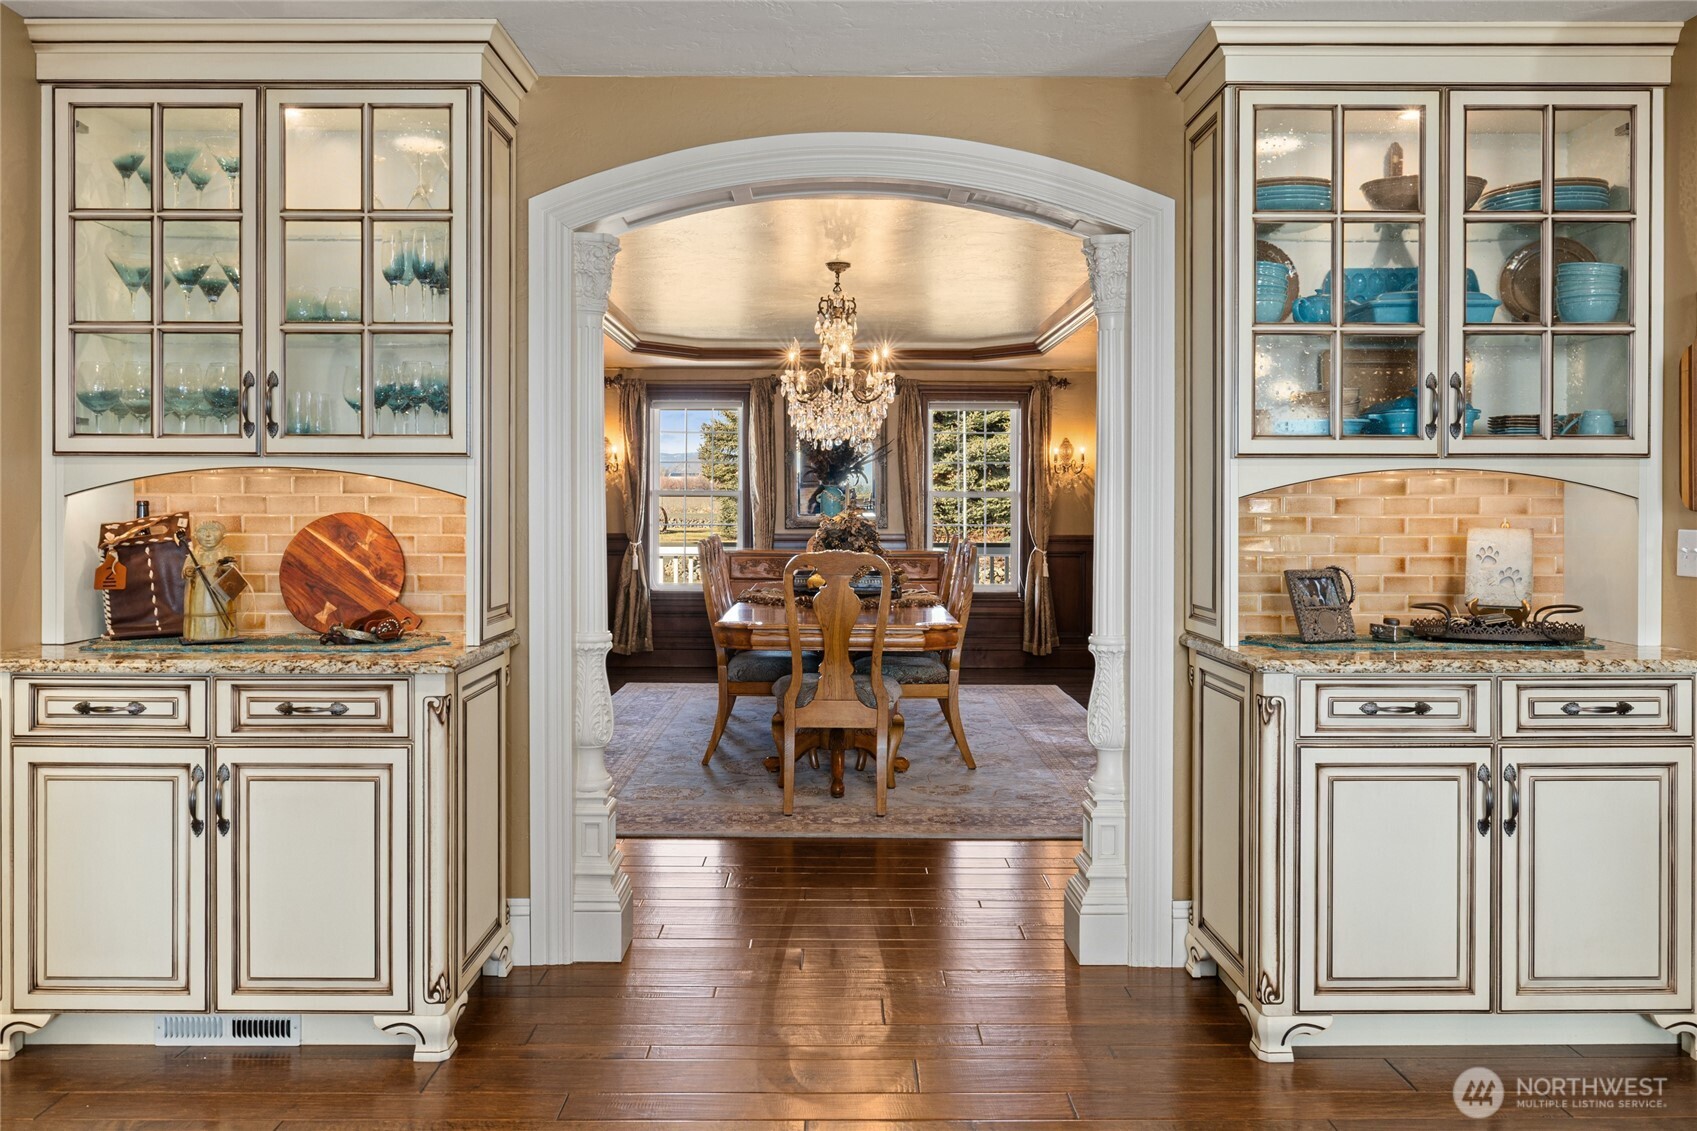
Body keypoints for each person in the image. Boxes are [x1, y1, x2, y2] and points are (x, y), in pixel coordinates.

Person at [181, 520, 249, 643]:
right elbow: (186, 568)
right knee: (198, 611)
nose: (208, 535)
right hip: (198, 594)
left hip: (220, 594)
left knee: (221, 611)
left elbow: (233, 570)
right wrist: (188, 571)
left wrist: (226, 569)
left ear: (223, 535)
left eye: (213, 531)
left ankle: (224, 632)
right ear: (196, 535)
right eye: (202, 532)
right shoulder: (194, 553)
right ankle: (197, 633)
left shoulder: (226, 552)